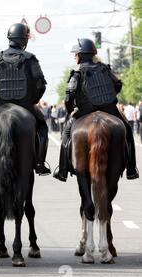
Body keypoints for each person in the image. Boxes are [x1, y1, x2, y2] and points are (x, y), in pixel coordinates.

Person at [0, 23, 51, 176]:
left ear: (9, 38)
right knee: (42, 128)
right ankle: (40, 163)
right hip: (26, 106)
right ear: (24, 40)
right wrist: (33, 100)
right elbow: (40, 85)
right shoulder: (30, 58)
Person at [53, 38, 139, 181]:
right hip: (110, 109)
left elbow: (69, 96)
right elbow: (118, 84)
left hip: (84, 111)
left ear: (81, 55)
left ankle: (62, 170)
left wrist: (71, 111)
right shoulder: (104, 68)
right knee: (127, 131)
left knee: (66, 134)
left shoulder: (77, 73)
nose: (75, 57)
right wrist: (108, 97)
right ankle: (131, 168)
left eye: (76, 54)